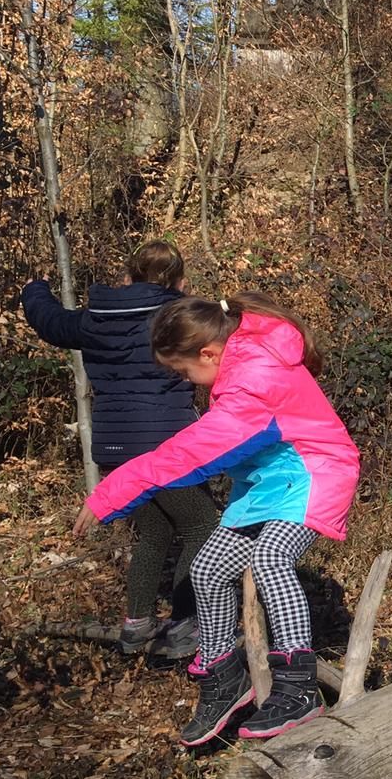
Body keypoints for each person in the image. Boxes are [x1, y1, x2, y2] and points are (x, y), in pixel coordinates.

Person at [73, 293, 360, 746]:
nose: (187, 382)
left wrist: (113, 491)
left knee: (270, 559)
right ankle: (225, 676)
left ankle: (297, 685)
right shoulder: (239, 364)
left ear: (207, 353)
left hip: (315, 472)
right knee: (208, 569)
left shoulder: (253, 379)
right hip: (269, 483)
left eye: (184, 372)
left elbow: (192, 454)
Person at [22, 241, 218, 658]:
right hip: (167, 446)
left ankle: (137, 625)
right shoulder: (178, 318)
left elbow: (51, 322)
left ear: (126, 278)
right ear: (181, 283)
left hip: (114, 446)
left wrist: (34, 288)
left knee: (156, 531)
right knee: (201, 526)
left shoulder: (96, 317)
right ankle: (186, 624)